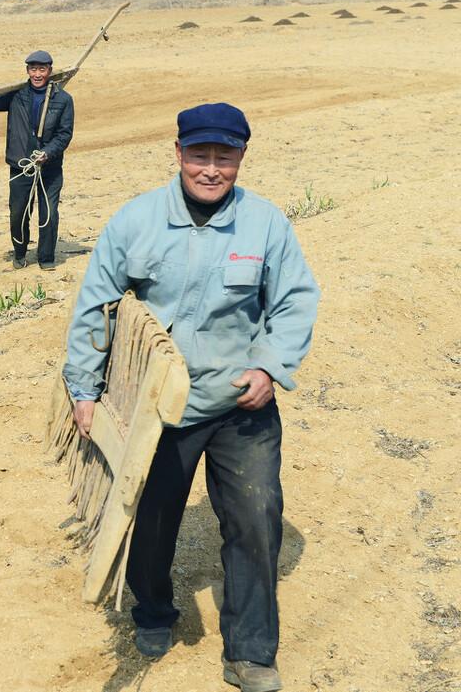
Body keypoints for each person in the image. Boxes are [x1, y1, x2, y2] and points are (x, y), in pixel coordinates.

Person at [62, 103, 320, 692]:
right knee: (150, 520)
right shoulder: (136, 221)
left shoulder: (266, 225)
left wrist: (270, 367)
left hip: (239, 402)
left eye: (223, 157)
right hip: (159, 410)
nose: (210, 168)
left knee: (256, 517)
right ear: (177, 154)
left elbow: (294, 301)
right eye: (198, 155)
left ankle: (251, 652)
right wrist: (85, 388)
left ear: (240, 158)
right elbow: (96, 307)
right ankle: (152, 611)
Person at [0, 50, 74, 271]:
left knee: (49, 214)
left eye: (42, 69)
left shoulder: (63, 99)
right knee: (18, 212)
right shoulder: (16, 95)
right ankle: (19, 253)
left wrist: (47, 153)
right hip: (20, 165)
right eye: (33, 69)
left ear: (50, 70)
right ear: (27, 70)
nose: (37, 74)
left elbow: (64, 134)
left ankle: (46, 258)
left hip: (50, 167)